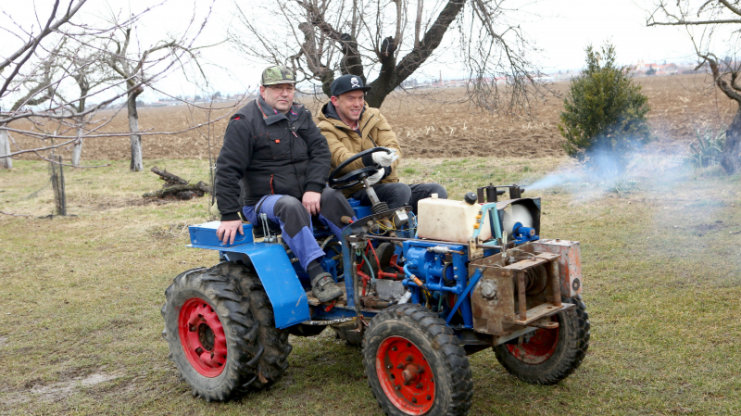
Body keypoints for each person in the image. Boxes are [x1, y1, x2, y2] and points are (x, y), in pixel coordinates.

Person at [214, 65, 352, 303]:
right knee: (289, 206)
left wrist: (313, 188)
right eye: (278, 88)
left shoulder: (300, 115)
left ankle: (362, 259)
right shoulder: (244, 122)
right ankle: (318, 274)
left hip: (301, 194)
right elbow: (227, 169)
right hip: (262, 202)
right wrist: (228, 214)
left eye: (289, 88)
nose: (285, 94)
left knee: (332, 197)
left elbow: (321, 152)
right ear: (263, 91)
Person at [316, 74, 447, 214]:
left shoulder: (374, 117)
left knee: (435, 191)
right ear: (335, 100)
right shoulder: (324, 129)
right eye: (350, 98)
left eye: (360, 97)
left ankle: (423, 234)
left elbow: (393, 148)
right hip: (355, 192)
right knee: (399, 191)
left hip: (386, 184)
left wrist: (385, 170)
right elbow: (342, 158)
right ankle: (391, 234)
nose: (357, 104)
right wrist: (371, 159)